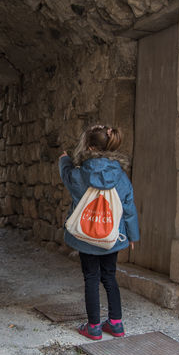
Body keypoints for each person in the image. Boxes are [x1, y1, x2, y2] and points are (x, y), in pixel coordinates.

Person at [59, 124, 140, 340]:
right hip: (112, 236)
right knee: (109, 277)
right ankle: (116, 323)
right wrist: (132, 235)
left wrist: (64, 159)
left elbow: (66, 175)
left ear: (90, 148)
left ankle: (93, 326)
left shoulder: (79, 175)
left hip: (86, 237)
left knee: (91, 278)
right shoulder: (121, 176)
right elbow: (129, 206)